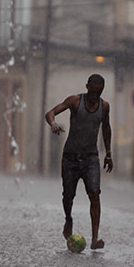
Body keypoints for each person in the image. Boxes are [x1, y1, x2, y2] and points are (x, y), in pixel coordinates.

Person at [45, 74, 114, 250]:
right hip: (70, 158)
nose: (94, 96)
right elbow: (50, 113)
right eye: (92, 91)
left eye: (99, 93)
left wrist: (108, 153)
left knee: (95, 195)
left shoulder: (104, 106)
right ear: (87, 87)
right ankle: (68, 219)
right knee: (68, 196)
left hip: (91, 158)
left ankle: (95, 238)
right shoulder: (75, 101)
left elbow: (106, 128)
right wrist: (53, 123)